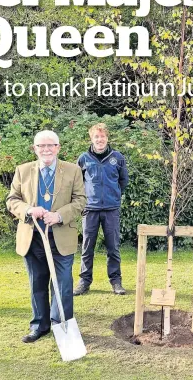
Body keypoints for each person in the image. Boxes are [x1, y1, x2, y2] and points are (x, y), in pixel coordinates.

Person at [6, 130, 86, 343]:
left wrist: (59, 215)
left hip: (61, 238)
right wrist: (28, 210)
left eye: (51, 145)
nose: (46, 149)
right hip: (33, 238)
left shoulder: (73, 170)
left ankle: (63, 326)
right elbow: (12, 199)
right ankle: (39, 325)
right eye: (41, 146)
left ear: (58, 147)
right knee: (37, 283)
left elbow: (81, 201)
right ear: (35, 149)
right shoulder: (23, 171)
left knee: (63, 284)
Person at [73, 123, 129, 296]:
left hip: (111, 209)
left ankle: (116, 281)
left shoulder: (117, 158)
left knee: (113, 247)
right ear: (91, 138)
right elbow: (77, 184)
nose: (100, 139)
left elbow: (123, 181)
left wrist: (115, 195)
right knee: (87, 247)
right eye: (96, 137)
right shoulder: (83, 159)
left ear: (107, 138)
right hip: (90, 209)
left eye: (102, 136)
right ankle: (84, 281)